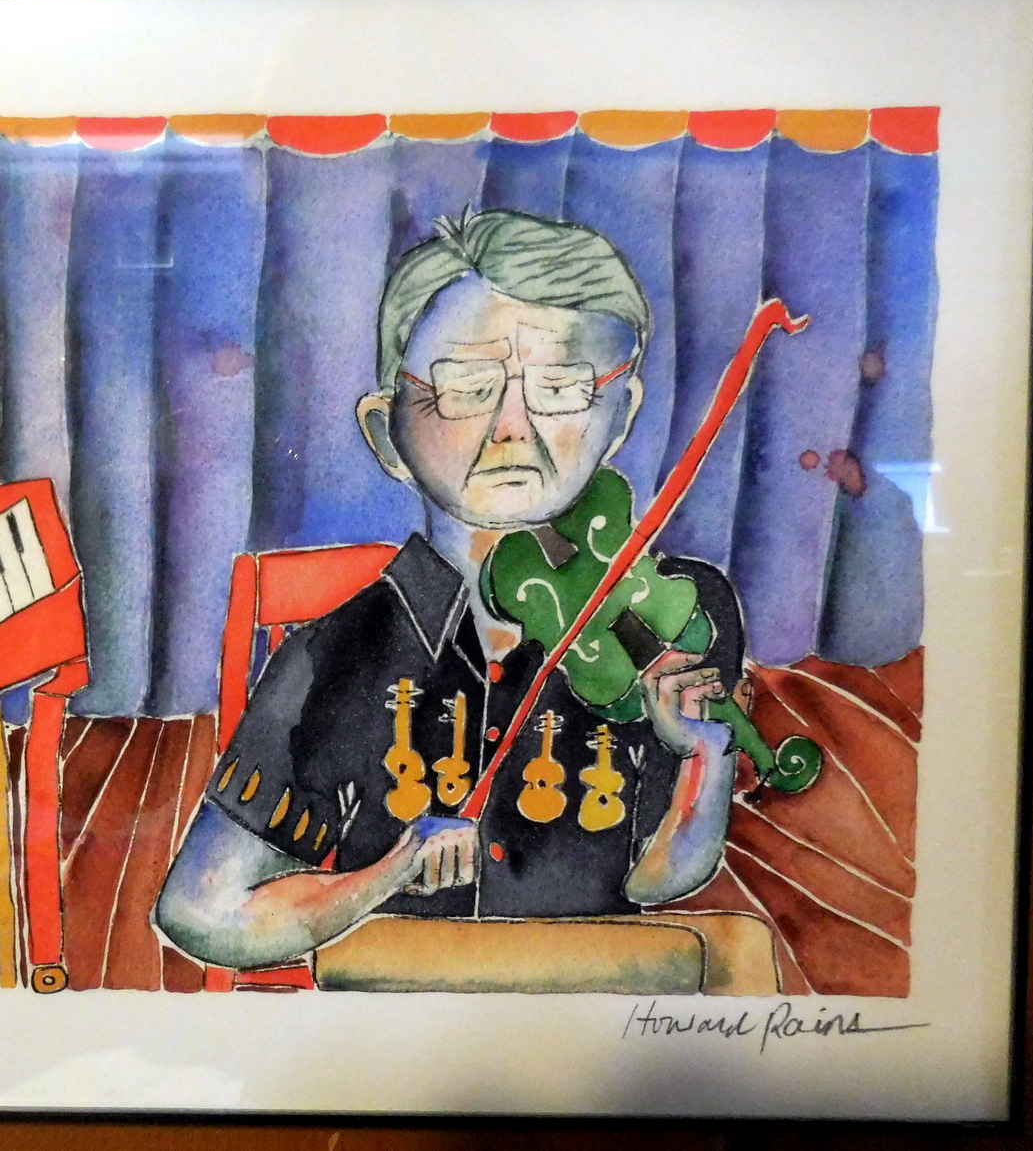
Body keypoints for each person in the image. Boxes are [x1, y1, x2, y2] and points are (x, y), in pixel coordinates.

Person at [155, 210, 740, 972]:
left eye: (561, 388)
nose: (513, 428)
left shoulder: (669, 620)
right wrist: (383, 876)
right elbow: (202, 914)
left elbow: (657, 881)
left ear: (619, 416)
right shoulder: (331, 658)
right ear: (386, 433)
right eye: (466, 388)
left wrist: (703, 762)